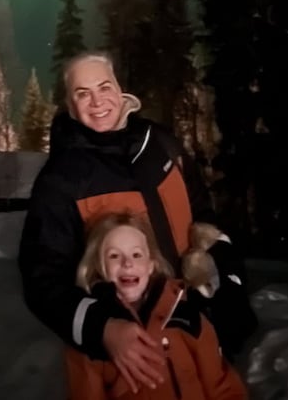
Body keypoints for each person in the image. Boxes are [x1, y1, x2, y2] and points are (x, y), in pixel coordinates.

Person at [18, 52, 255, 394]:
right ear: (70, 104)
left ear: (120, 89)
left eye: (104, 86)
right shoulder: (61, 180)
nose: (98, 101)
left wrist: (228, 291)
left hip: (196, 328)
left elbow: (203, 216)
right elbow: (42, 278)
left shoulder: (161, 144)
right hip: (132, 348)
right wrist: (103, 329)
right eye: (83, 93)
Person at [66, 211, 247, 400]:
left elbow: (222, 388)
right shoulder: (90, 336)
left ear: (151, 264)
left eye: (136, 254)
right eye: (114, 256)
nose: (127, 263)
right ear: (98, 266)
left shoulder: (187, 317)